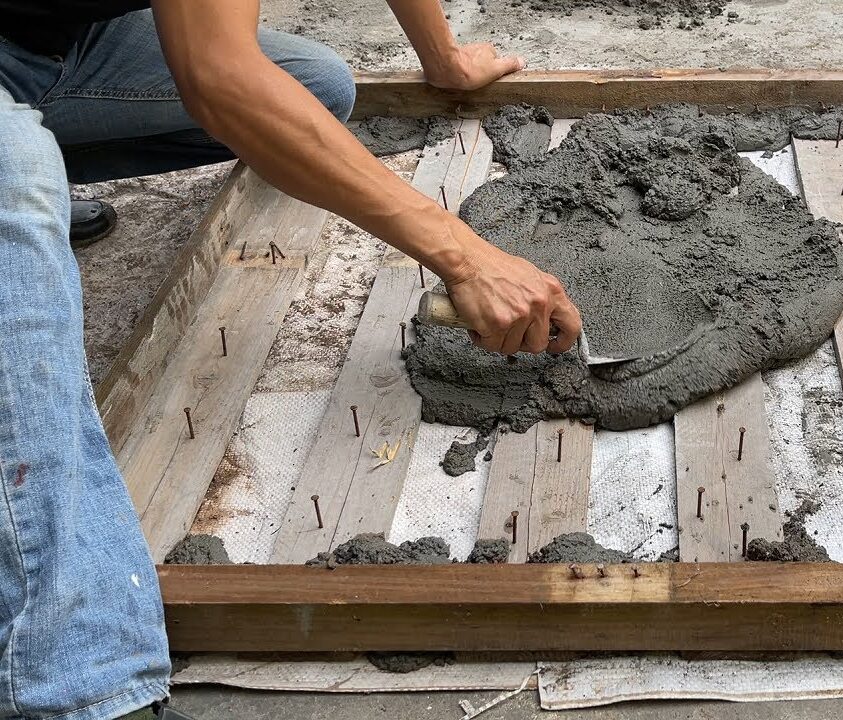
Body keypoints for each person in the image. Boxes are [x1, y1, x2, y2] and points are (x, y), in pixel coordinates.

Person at [0, 1, 582, 717]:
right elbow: (216, 75)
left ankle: (28, 142)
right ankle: (76, 683)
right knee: (14, 189)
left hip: (45, 43)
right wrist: (465, 257)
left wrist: (445, 59)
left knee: (313, 87)